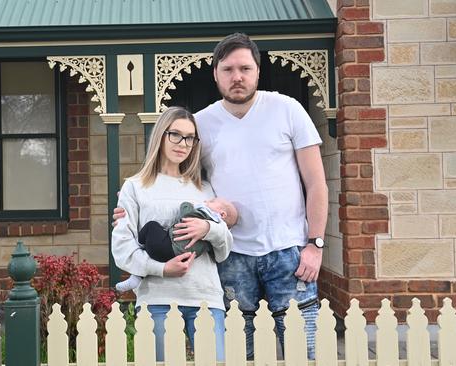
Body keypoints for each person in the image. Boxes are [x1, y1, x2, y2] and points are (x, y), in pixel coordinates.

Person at [114, 33, 328, 359]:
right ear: (215, 74)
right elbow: (180, 187)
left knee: (305, 351)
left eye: (245, 68)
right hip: (231, 257)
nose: (237, 77)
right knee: (239, 355)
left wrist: (315, 244)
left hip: (290, 253)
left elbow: (316, 183)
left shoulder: (288, 110)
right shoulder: (200, 125)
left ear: (258, 71)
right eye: (228, 69)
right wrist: (132, 210)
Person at [111, 106, 233, 362]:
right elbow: (122, 248)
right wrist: (163, 268)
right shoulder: (135, 187)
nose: (183, 144)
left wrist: (208, 228)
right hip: (158, 299)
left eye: (190, 138)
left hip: (205, 298)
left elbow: (223, 252)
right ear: (160, 135)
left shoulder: (205, 189)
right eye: (175, 135)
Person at [115, 197, 238, 292]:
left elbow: (186, 213)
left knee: (151, 226)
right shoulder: (213, 236)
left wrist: (189, 205)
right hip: (182, 258)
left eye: (212, 201)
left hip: (167, 248)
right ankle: (136, 276)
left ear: (222, 214)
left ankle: (138, 244)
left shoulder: (204, 214)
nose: (206, 200)